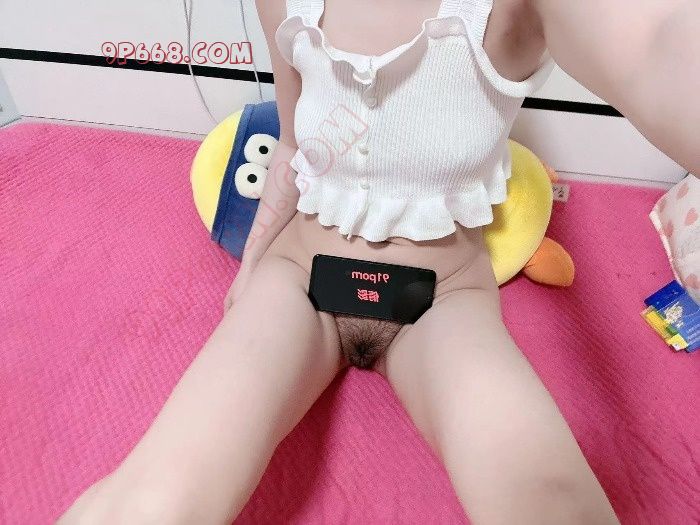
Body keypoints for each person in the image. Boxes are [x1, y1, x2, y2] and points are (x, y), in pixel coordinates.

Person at [58, 0, 698, 523]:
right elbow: (294, 148)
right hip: (301, 281)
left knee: (550, 501)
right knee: (154, 501)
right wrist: (251, 272)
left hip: (441, 301)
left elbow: (656, 43)